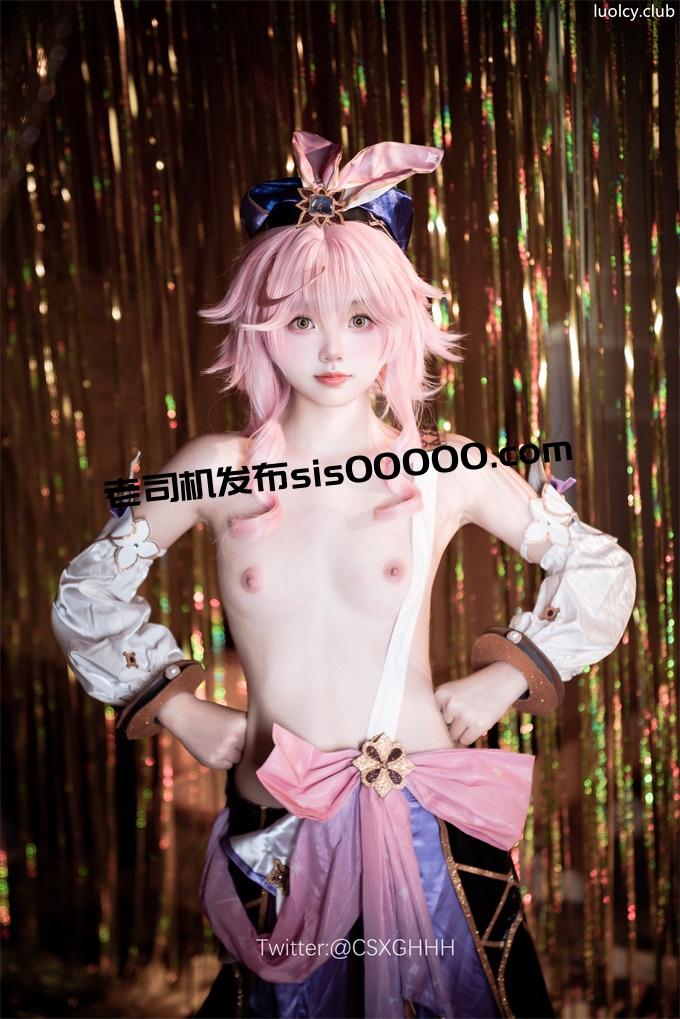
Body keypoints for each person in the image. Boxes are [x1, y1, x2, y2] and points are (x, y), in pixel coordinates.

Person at [53, 132, 636, 1019]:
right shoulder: (214, 469)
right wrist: (173, 705)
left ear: (399, 323)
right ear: (261, 329)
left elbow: (598, 567)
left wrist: (507, 676)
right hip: (277, 824)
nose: (333, 347)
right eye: (300, 321)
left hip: (432, 823)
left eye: (361, 319)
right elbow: (88, 591)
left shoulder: (447, 464)